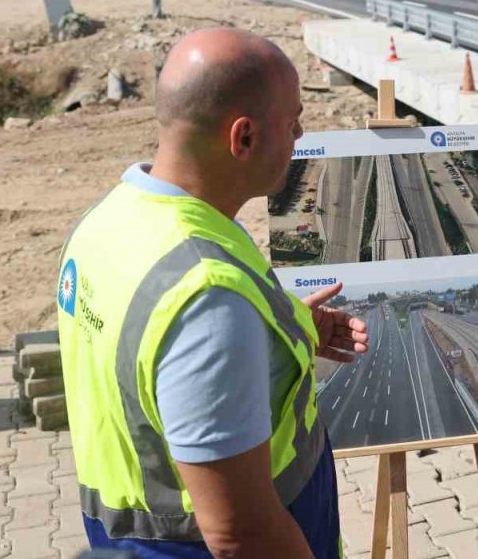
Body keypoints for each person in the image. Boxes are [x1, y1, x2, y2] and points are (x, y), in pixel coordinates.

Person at [58, 27, 368, 558]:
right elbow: (240, 534)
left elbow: (150, 364)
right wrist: (229, 332)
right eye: (292, 123)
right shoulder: (206, 293)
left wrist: (278, 338)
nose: (299, 136)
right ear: (243, 138)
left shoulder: (106, 222)